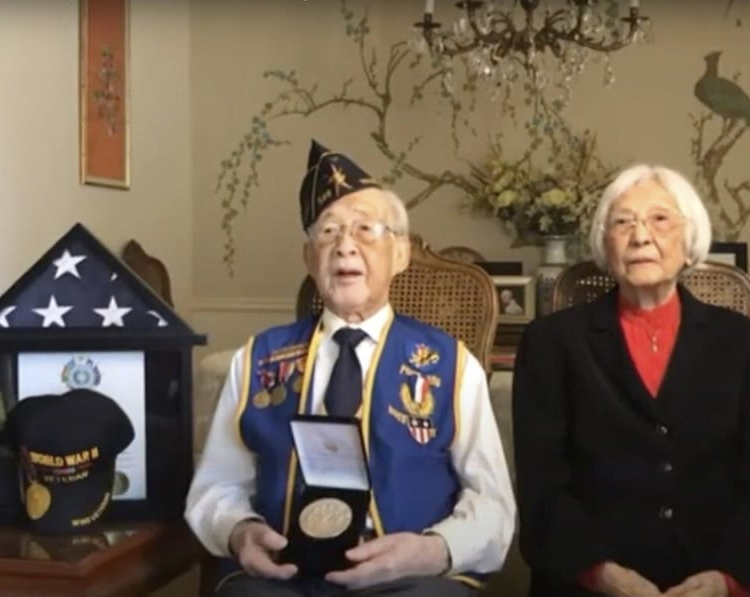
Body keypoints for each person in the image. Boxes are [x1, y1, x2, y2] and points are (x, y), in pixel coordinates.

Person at [185, 140, 516, 597]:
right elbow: (216, 486)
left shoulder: (452, 366)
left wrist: (434, 550)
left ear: (399, 255)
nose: (345, 247)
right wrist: (240, 531)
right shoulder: (257, 360)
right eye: (328, 233)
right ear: (309, 260)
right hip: (286, 577)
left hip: (410, 579)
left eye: (365, 230)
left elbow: (493, 504)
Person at [511, 163, 750, 597]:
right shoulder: (552, 343)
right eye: (623, 222)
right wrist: (601, 573)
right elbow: (542, 485)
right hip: (592, 580)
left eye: (660, 220)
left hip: (718, 575)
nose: (641, 236)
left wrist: (729, 580)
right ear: (606, 246)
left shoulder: (748, 346)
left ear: (690, 241)